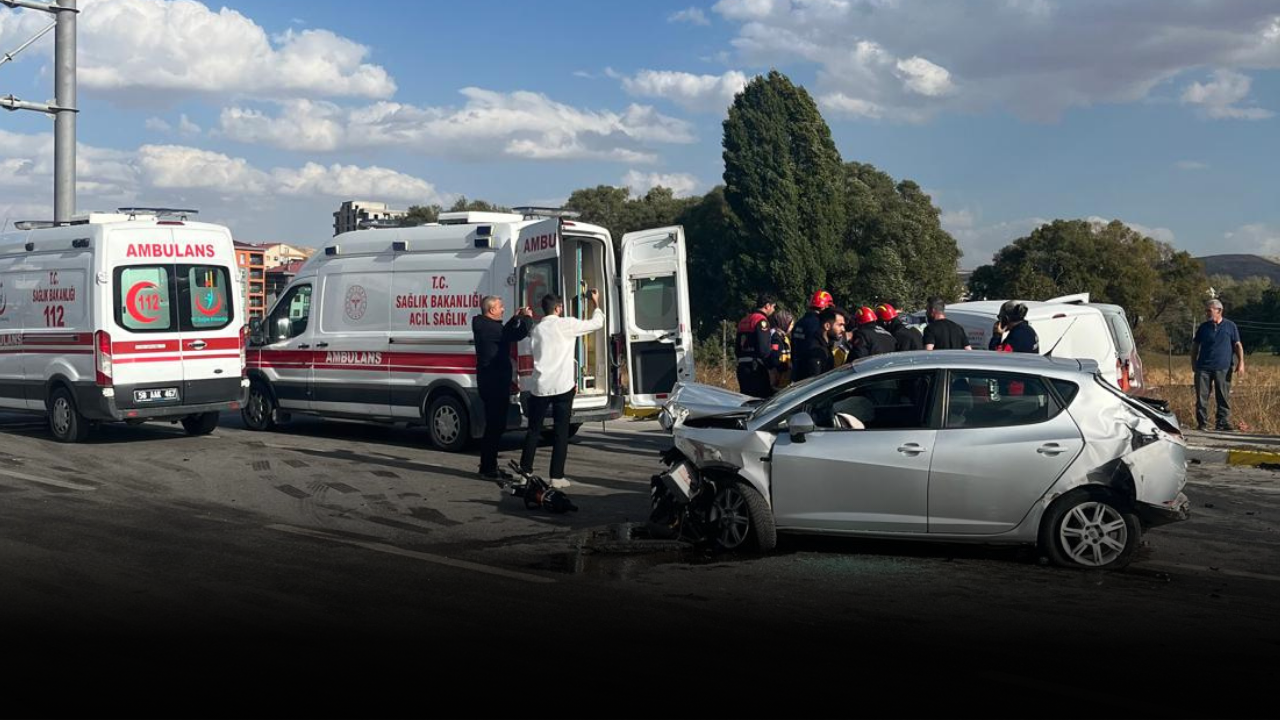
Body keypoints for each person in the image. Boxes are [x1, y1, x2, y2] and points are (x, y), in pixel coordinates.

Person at [519, 290, 604, 488]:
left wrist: (526, 318)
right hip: (563, 386)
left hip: (540, 386)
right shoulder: (567, 324)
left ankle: (525, 472)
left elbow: (530, 342)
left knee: (533, 430)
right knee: (561, 431)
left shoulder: (537, 329)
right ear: (558, 308)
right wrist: (595, 303)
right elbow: (596, 323)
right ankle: (556, 477)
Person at [472, 295, 533, 480]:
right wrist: (527, 318)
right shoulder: (488, 328)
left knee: (496, 426)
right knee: (494, 426)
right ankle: (488, 468)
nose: (503, 309)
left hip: (494, 382)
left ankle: (489, 465)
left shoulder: (486, 325)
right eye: (500, 307)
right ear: (491, 310)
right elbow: (515, 334)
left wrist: (515, 318)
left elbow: (504, 331)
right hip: (493, 384)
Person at [1191, 298, 1245, 432]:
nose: (1207, 314)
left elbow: (1237, 345)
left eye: (1209, 311)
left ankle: (1222, 423)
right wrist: (1193, 363)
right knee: (1202, 397)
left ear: (1219, 311)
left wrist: (1241, 362)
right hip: (1203, 368)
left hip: (1223, 367)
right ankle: (1202, 423)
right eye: (1206, 311)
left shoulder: (1230, 326)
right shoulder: (1203, 327)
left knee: (1223, 396)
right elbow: (1195, 346)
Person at [734, 293, 778, 398]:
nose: (773, 310)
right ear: (767, 306)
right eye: (773, 307)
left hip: (742, 367)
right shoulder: (761, 321)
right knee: (761, 402)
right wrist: (772, 367)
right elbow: (764, 350)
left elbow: (737, 349)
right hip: (756, 369)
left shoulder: (744, 320)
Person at [790, 290, 833, 382]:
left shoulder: (799, 323)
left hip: (797, 371)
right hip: (813, 374)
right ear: (825, 307)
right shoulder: (819, 324)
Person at [794, 306, 846, 380]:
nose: (843, 329)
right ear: (827, 326)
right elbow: (815, 383)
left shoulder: (825, 346)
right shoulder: (815, 352)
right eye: (840, 325)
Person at [768, 308, 795, 392]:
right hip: (778, 383)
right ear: (784, 323)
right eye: (791, 324)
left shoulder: (783, 337)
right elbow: (774, 359)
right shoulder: (776, 338)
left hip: (783, 382)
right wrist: (786, 366)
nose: (792, 327)